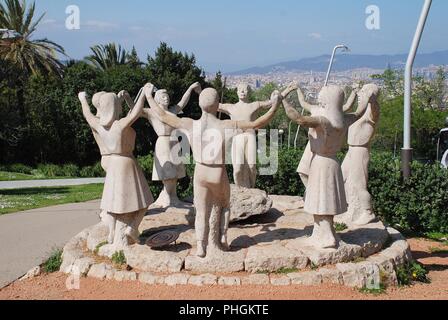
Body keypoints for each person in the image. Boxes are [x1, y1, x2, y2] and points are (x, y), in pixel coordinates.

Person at [144, 83, 283, 257]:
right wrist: (275, 106)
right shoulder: (226, 125)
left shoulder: (189, 124)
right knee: (224, 206)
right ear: (218, 106)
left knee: (201, 211)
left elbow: (162, 115)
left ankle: (201, 246)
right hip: (218, 172)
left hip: (200, 172)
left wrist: (149, 96)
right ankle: (223, 237)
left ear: (200, 104)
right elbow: (257, 123)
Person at [283, 85, 370, 249]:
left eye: (321, 98)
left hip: (320, 163)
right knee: (326, 200)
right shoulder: (344, 119)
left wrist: (283, 102)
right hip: (333, 162)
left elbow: (299, 119)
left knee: (321, 200)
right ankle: (323, 232)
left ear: (326, 101)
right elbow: (359, 112)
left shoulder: (323, 121)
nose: (319, 100)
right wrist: (364, 97)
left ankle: (327, 235)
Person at [78, 85, 153, 252]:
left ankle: (112, 232)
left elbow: (87, 114)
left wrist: (82, 99)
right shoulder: (119, 125)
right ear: (114, 108)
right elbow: (135, 112)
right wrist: (144, 94)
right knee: (145, 201)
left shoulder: (99, 126)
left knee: (112, 205)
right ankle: (132, 227)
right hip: (127, 163)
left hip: (113, 165)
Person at [296, 84, 359, 191]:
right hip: (313, 145)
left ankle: (314, 192)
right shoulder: (315, 109)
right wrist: (297, 89)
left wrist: (354, 92)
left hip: (320, 146)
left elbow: (348, 106)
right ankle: (311, 191)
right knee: (303, 172)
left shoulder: (332, 112)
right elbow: (302, 103)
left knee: (313, 173)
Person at [341, 84, 380, 225]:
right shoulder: (360, 112)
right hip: (351, 149)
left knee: (359, 184)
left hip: (360, 150)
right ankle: (349, 207)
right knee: (342, 176)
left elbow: (374, 108)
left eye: (363, 93)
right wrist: (357, 91)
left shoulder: (371, 110)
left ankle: (367, 211)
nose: (360, 95)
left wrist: (371, 99)